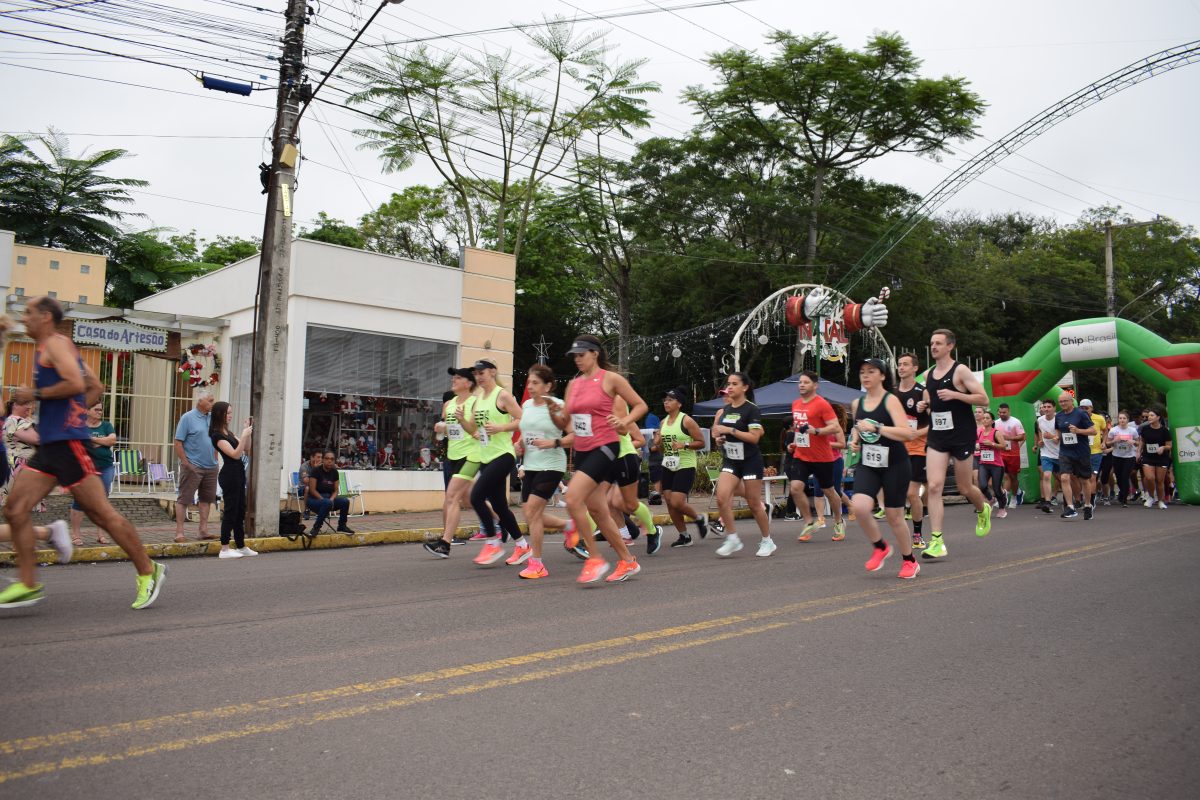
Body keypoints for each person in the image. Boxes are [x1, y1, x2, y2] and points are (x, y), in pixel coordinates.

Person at [0, 296, 165, 610]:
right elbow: (96, 386)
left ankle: (149, 569)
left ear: (46, 317)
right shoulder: (53, 346)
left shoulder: (55, 345)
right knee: (15, 510)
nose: (25, 318)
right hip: (51, 446)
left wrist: (34, 394)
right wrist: (74, 415)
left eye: (29, 313)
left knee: (101, 514)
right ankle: (27, 583)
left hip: (68, 447)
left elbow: (76, 383)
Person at [550, 335, 648, 584]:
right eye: (574, 356)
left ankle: (595, 559)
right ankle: (627, 561)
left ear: (594, 353)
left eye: (581, 355)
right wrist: (555, 415)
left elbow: (640, 405)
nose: (577, 360)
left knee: (572, 498)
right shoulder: (573, 385)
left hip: (605, 445)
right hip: (582, 449)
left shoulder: (610, 379)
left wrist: (624, 421)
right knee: (597, 509)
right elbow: (567, 424)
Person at [917, 329, 992, 561]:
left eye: (938, 343)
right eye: (931, 343)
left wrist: (957, 395)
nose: (934, 347)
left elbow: (984, 399)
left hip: (961, 435)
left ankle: (983, 509)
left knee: (964, 488)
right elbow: (933, 401)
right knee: (934, 486)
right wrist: (924, 407)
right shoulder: (929, 375)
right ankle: (937, 540)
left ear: (950, 346)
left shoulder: (960, 370)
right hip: (938, 436)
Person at [847, 358, 919, 579]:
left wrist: (878, 427)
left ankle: (910, 561)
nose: (866, 376)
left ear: (883, 376)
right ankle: (880, 546)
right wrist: (855, 439)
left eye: (871, 371)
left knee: (894, 516)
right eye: (862, 372)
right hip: (868, 463)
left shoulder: (890, 401)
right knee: (859, 506)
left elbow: (907, 433)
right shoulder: (857, 403)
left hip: (895, 464)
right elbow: (859, 424)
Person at [462, 359, 526, 567]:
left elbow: (522, 420)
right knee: (499, 505)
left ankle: (492, 541)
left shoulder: (503, 395)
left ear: (492, 372)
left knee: (476, 496)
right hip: (485, 457)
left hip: (503, 455)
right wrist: (462, 419)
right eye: (476, 374)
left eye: (482, 373)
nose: (479, 377)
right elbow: (473, 429)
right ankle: (522, 545)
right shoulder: (478, 399)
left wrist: (501, 428)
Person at [512, 364, 572, 579]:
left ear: (548, 386)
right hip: (531, 465)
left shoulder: (558, 405)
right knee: (528, 513)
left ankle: (537, 563)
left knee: (534, 513)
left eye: (536, 383)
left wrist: (553, 442)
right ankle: (569, 526)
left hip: (552, 464)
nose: (531, 386)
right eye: (529, 382)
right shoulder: (527, 405)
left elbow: (574, 436)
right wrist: (520, 443)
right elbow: (527, 431)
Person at [713, 372, 774, 558]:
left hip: (750, 461)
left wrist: (729, 429)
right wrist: (720, 439)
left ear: (745, 387)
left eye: (734, 384)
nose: (729, 387)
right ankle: (732, 538)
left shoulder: (751, 409)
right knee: (722, 497)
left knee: (754, 503)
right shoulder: (727, 410)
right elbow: (722, 434)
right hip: (731, 459)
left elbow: (754, 438)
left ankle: (767, 541)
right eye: (728, 384)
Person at [423, 368, 482, 558]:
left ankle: (445, 543)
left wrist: (458, 421)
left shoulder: (475, 403)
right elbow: (450, 431)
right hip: (453, 455)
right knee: (470, 499)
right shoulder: (449, 404)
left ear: (469, 383)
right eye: (453, 377)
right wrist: (442, 429)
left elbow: (475, 430)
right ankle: (502, 523)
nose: (454, 380)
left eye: (458, 378)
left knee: (452, 497)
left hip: (471, 455)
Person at [786, 371, 846, 543]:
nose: (801, 385)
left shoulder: (822, 404)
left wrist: (817, 431)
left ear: (815, 385)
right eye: (800, 382)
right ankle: (808, 521)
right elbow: (800, 429)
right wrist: (795, 444)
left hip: (822, 457)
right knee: (796, 488)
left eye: (805, 382)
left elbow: (834, 427)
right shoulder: (796, 404)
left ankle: (838, 521)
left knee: (829, 492)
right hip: (802, 455)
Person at [654, 388, 708, 548]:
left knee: (677, 502)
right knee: (670, 503)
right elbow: (661, 447)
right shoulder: (663, 422)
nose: (666, 402)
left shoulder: (687, 421)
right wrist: (657, 443)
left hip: (685, 465)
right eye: (665, 400)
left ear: (679, 403)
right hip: (669, 464)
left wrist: (684, 444)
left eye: (670, 400)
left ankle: (699, 518)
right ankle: (684, 536)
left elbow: (701, 442)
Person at [209, 401, 254, 558]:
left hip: (239, 473)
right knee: (230, 511)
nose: (230, 416)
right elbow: (235, 454)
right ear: (219, 414)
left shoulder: (228, 432)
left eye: (230, 413)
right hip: (229, 475)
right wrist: (242, 436)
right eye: (227, 413)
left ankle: (241, 545)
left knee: (240, 510)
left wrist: (246, 433)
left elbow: (246, 448)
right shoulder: (217, 435)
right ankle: (225, 547)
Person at [173, 389, 219, 543]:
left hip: (211, 467)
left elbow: (216, 439)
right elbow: (178, 442)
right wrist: (186, 463)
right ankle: (179, 532)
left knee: (206, 499)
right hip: (193, 466)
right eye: (210, 400)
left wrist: (216, 459)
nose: (213, 403)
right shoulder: (187, 418)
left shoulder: (213, 418)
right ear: (200, 401)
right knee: (184, 499)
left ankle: (203, 530)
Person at [69, 401, 116, 546]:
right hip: (84, 468)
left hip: (105, 466)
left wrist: (93, 440)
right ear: (87, 411)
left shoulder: (106, 425)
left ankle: (101, 534)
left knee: (102, 500)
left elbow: (112, 440)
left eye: (101, 410)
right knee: (80, 500)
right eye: (96, 410)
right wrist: (101, 441)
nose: (99, 412)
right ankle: (76, 534)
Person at [895, 353, 930, 547]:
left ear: (915, 368)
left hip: (918, 448)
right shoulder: (892, 392)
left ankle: (917, 534)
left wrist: (917, 434)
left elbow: (935, 423)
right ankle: (902, 532)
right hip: (898, 448)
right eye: (899, 364)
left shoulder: (922, 392)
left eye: (905, 364)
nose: (901, 368)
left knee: (911, 493)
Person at [1053, 392, 1096, 520]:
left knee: (1084, 480)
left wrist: (1078, 431)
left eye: (1065, 401)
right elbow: (1058, 429)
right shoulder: (1059, 416)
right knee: (1065, 477)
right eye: (1060, 402)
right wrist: (1056, 437)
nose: (1062, 404)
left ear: (1072, 401)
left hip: (1081, 452)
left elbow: (1093, 431)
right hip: (1065, 451)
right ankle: (1070, 507)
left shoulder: (1081, 414)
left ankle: (1088, 505)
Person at [3, 396, 40, 506]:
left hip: (22, 465)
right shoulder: (15, 420)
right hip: (19, 466)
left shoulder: (24, 420)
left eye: (31, 403)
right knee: (19, 507)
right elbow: (37, 439)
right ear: (15, 405)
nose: (30, 407)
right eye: (26, 403)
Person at [306, 451, 354, 534]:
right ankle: (316, 527)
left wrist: (331, 499)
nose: (329, 461)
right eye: (327, 459)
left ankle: (342, 526)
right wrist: (324, 500)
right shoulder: (316, 471)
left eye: (332, 459)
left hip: (328, 499)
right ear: (323, 460)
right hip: (314, 499)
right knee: (327, 502)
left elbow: (336, 490)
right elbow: (312, 490)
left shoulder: (335, 472)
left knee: (345, 501)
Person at [975, 411, 1009, 518]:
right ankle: (991, 499)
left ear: (992, 421)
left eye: (987, 418)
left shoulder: (996, 433)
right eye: (983, 418)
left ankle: (1002, 508)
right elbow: (979, 445)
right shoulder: (980, 432)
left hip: (996, 465)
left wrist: (992, 444)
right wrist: (978, 447)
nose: (984, 420)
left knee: (997, 488)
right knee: (982, 485)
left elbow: (1004, 446)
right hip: (984, 463)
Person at [993, 403, 1026, 507]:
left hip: (1013, 454)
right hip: (1000, 453)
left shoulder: (1015, 422)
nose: (1002, 414)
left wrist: (1009, 438)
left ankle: (1015, 496)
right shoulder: (995, 423)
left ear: (1009, 411)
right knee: (1005, 476)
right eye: (1000, 412)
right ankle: (1003, 499)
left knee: (1013, 477)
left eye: (1004, 412)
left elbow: (1022, 437)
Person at [1139, 406, 1171, 509]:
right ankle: (1151, 497)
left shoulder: (1164, 431)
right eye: (1149, 416)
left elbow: (1169, 445)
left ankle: (1161, 501)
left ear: (1158, 417)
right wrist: (1138, 452)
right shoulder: (1145, 429)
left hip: (1161, 458)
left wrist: (1163, 447)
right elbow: (1142, 441)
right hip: (1148, 457)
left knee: (1160, 480)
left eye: (1152, 415)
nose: (1149, 417)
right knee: (1149, 477)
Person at [1106, 410, 1140, 507]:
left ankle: (1124, 499)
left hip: (1129, 456)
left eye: (1124, 418)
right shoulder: (1113, 430)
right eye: (1120, 418)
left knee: (1125, 476)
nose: (1122, 420)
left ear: (1128, 420)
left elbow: (1138, 442)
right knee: (1119, 478)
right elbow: (1107, 443)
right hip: (1117, 456)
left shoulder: (1132, 430)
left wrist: (1132, 441)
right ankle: (1122, 492)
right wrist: (1114, 440)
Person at [1034, 399, 1061, 512]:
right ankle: (1047, 502)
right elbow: (1040, 435)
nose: (1046, 409)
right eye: (1044, 407)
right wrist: (1039, 443)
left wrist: (1051, 436)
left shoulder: (1058, 420)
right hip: (1046, 453)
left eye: (1049, 407)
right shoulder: (1039, 420)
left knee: (1063, 479)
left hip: (1060, 454)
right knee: (1046, 476)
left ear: (1054, 408)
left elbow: (1058, 439)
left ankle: (1073, 500)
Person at [1080, 399, 1107, 511]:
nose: (1085, 410)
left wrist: (1103, 442)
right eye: (1082, 408)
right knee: (1082, 478)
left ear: (1092, 408)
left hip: (1095, 452)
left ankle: (1091, 500)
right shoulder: (1077, 417)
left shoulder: (1099, 418)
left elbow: (1105, 430)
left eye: (1087, 408)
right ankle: (1084, 499)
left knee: (1092, 477)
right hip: (1081, 452)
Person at [298, 451, 321, 520]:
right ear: (312, 457)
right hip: (303, 488)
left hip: (315, 487)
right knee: (308, 488)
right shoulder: (304, 466)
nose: (320, 459)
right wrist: (315, 470)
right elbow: (306, 481)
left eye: (321, 457)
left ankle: (323, 509)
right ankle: (306, 510)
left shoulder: (321, 466)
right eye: (318, 457)